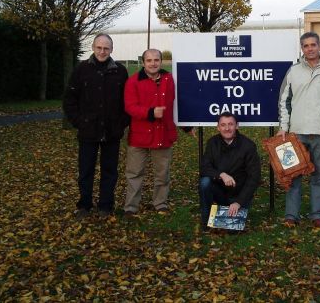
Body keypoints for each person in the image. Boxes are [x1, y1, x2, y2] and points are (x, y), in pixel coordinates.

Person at [278, 32, 320, 229]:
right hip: (296, 133)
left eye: (313, 45)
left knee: (319, 175)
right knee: (293, 175)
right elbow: (284, 100)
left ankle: (317, 215)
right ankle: (291, 216)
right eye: (306, 46)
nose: (310, 49)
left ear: (319, 46)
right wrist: (283, 127)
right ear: (302, 49)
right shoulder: (293, 71)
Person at [63, 33, 129, 220]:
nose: (102, 51)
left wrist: (122, 122)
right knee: (86, 171)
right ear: (93, 47)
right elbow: (69, 100)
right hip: (88, 131)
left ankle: (105, 206)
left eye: (106, 48)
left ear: (111, 49)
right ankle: (84, 205)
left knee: (110, 171)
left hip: (112, 132)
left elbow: (128, 101)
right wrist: (78, 121)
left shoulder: (120, 71)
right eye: (99, 47)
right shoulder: (81, 70)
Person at [123, 48, 187, 216]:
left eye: (156, 60)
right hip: (140, 135)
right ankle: (131, 207)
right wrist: (150, 113)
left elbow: (175, 104)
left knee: (162, 173)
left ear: (161, 61)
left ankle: (160, 203)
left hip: (163, 133)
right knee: (134, 173)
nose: (153, 63)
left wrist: (186, 126)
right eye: (149, 60)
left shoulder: (168, 79)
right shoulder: (133, 81)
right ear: (143, 62)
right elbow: (129, 107)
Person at [199, 113, 261, 229]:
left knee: (232, 230)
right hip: (220, 192)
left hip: (239, 194)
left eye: (230, 124)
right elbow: (204, 168)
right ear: (218, 127)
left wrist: (239, 202)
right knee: (204, 182)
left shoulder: (248, 145)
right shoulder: (212, 143)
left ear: (237, 126)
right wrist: (221, 175)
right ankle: (206, 220)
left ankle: (234, 209)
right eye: (223, 125)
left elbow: (254, 177)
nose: (227, 128)